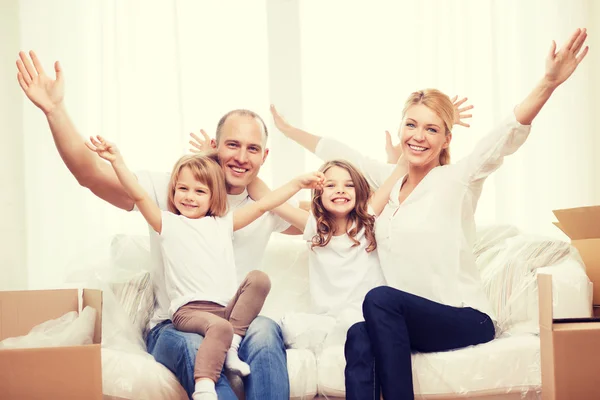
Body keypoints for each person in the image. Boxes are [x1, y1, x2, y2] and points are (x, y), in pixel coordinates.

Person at [266, 28, 589, 399]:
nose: (419, 136)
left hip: (465, 318)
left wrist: (547, 84)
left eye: (432, 128)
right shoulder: (389, 185)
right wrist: (288, 131)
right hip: (406, 319)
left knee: (378, 299)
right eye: (412, 125)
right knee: (358, 333)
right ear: (401, 128)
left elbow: (502, 138)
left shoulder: (458, 180)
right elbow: (339, 150)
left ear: (446, 139)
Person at [16, 51, 298, 399]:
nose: (241, 157)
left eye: (253, 149)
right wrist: (55, 111)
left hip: (239, 325)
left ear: (264, 157)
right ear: (214, 146)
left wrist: (257, 185)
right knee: (196, 353)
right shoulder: (175, 192)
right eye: (233, 145)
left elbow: (319, 226)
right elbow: (90, 174)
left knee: (268, 337)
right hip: (175, 323)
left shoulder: (265, 209)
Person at [87, 136, 323, 399]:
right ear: (172, 191)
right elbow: (139, 194)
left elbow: (264, 205)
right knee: (219, 329)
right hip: (187, 311)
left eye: (199, 192)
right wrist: (117, 161)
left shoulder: (222, 225)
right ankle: (204, 387)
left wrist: (297, 183)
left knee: (258, 280)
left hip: (222, 311)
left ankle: (231, 344)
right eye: (182, 189)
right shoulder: (167, 223)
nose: (189, 197)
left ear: (214, 197)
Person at [248, 158, 405, 327]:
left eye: (349, 185)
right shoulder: (315, 227)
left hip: (366, 317)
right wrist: (297, 183)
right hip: (326, 321)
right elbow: (261, 193)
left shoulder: (368, 218)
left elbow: (401, 170)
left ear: (359, 191)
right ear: (318, 194)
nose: (340, 190)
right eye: (330, 185)